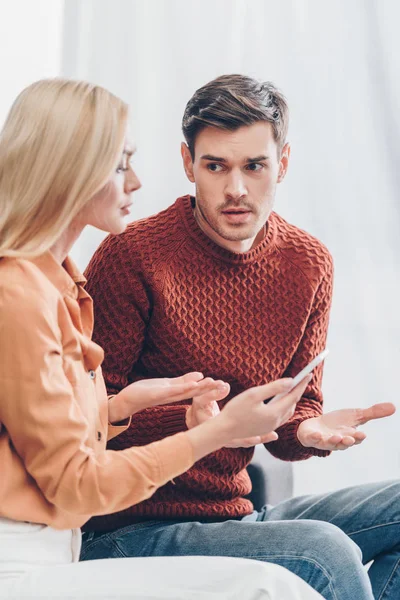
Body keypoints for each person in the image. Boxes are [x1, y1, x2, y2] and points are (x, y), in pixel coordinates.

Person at [0, 78, 324, 600]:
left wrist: (121, 406)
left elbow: (39, 426)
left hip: (56, 546)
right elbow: (75, 481)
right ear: (67, 171)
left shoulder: (57, 282)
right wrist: (210, 434)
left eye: (254, 165)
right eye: (120, 163)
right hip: (29, 559)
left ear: (281, 163)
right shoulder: (21, 293)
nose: (136, 182)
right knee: (282, 582)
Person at [83, 74, 399, 600]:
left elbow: (294, 415)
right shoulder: (131, 256)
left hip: (235, 513)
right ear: (188, 164)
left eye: (255, 166)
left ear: (284, 162)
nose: (236, 189)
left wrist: (309, 431)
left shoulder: (309, 263)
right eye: (216, 166)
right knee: (327, 552)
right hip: (126, 527)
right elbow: (90, 417)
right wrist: (200, 425)